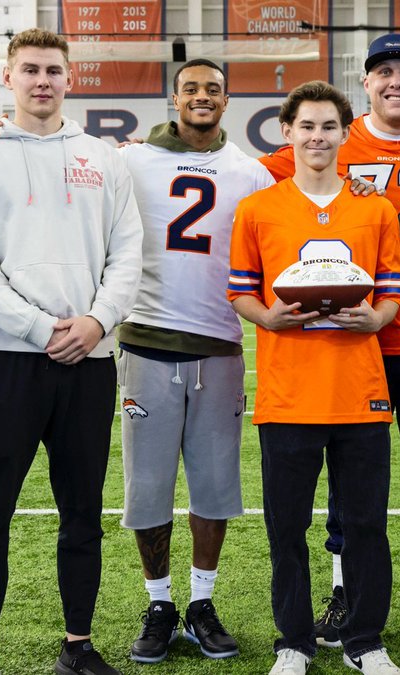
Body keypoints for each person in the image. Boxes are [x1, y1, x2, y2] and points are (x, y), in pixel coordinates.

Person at [261, 32, 400, 652]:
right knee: (346, 477)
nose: (396, 81)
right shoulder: (333, 138)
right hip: (350, 342)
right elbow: (245, 177)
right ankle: (343, 588)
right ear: (366, 82)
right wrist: (146, 154)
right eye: (384, 71)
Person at [0, 28, 143, 675]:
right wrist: (36, 327)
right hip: (8, 361)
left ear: (70, 78)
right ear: (8, 78)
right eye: (29, 69)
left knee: (82, 511)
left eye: (53, 69)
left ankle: (77, 646)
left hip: (89, 362)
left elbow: (127, 251)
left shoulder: (104, 159)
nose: (42, 81)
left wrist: (97, 320)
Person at [229, 80, 400, 675]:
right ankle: (294, 642)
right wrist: (269, 316)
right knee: (288, 529)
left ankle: (365, 640)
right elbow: (241, 292)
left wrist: (373, 318)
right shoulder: (259, 208)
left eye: (329, 126)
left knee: (365, 526)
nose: (317, 136)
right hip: (287, 395)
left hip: (359, 392)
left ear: (344, 133)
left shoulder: (375, 208)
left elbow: (390, 293)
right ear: (287, 132)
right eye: (306, 126)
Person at [114, 59, 274, 664]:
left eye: (212, 89)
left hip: (219, 344)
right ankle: (159, 602)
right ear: (173, 97)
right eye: (191, 88)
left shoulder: (250, 172)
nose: (201, 96)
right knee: (148, 487)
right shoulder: (131, 159)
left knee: (214, 486)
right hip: (147, 340)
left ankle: (201, 601)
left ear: (227, 100)